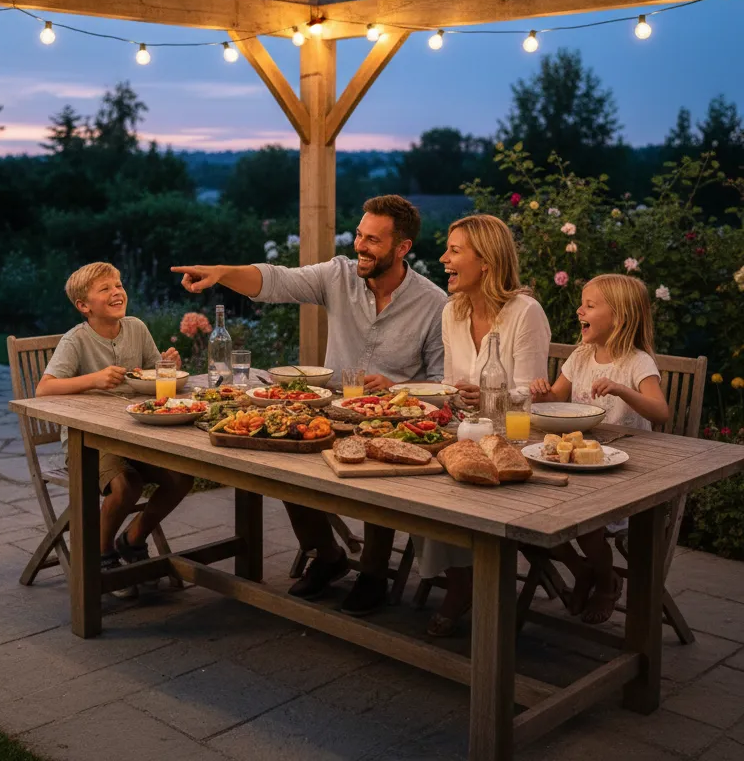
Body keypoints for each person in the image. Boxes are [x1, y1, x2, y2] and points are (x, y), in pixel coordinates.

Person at [173, 195, 446, 617]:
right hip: (327, 407)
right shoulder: (338, 275)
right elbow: (276, 281)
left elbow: (440, 382)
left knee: (381, 468)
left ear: (402, 247)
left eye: (373, 240)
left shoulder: (432, 303)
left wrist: (397, 388)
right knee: (287, 457)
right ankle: (327, 554)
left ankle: (373, 574)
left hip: (389, 416)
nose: (360, 246)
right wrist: (222, 274)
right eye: (359, 234)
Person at [417, 214, 551, 636]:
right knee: (418, 483)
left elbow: (531, 393)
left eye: (454, 251)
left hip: (514, 441)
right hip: (465, 432)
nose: (443, 259)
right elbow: (449, 384)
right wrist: (455, 393)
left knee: (441, 487)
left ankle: (464, 587)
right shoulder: (451, 312)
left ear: (487, 262)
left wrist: (486, 395)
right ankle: (462, 582)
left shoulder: (524, 313)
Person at [36, 261, 193, 598]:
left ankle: (133, 539)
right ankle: (103, 552)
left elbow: (153, 373)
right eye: (104, 288)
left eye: (119, 284)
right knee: (125, 487)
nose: (116, 291)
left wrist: (168, 365)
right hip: (93, 441)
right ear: (84, 305)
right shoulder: (76, 339)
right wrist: (94, 379)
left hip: (137, 430)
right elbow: (43, 389)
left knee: (182, 478)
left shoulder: (136, 327)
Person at [530, 274, 668, 623]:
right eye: (582, 303)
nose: (580, 310)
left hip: (624, 474)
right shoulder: (581, 356)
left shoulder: (637, 362)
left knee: (587, 525)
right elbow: (556, 398)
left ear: (618, 317)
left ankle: (606, 582)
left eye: (590, 305)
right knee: (528, 512)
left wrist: (623, 390)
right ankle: (582, 571)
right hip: (577, 464)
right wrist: (540, 391)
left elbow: (660, 411)